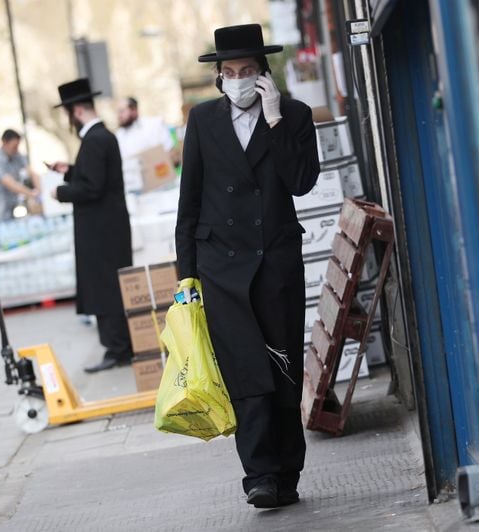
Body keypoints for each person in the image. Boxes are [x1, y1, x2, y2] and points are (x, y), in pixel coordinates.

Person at [175, 24, 320, 508]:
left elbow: (301, 183)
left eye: (248, 71)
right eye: (230, 71)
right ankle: (259, 475)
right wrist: (186, 276)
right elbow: (189, 199)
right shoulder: (202, 121)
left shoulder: (293, 116)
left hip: (276, 262)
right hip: (221, 267)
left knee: (282, 369)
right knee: (244, 370)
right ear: (219, 77)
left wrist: (276, 121)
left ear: (264, 74)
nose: (238, 79)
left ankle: (287, 472)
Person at [48, 78, 134, 373]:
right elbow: (94, 177)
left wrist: (59, 192)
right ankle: (118, 347)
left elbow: (93, 187)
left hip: (101, 231)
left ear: (75, 110)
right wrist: (70, 171)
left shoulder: (95, 139)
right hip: (106, 228)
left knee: (105, 287)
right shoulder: (99, 137)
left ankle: (117, 348)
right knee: (107, 285)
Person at [0, 129, 40, 237]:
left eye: (18, 146)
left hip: (12, 212)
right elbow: (9, 183)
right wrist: (31, 194)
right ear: (4, 142)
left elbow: (32, 173)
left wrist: (40, 192)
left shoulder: (17, 156)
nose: (16, 150)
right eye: (14, 146)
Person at [115, 97, 175, 193]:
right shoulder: (118, 136)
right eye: (117, 112)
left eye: (122, 111)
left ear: (134, 110)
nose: (119, 116)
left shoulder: (154, 125)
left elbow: (170, 152)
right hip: (135, 192)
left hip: (162, 187)